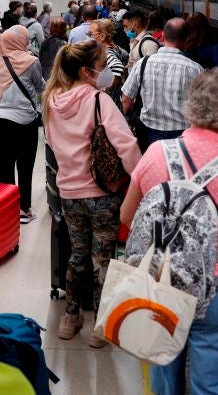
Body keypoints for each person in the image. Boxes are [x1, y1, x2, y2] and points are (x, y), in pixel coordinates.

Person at [119, 68, 218, 394]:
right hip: (217, 294)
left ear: (190, 105)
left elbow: (128, 215)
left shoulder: (157, 153)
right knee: (212, 388)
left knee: (163, 383)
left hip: (162, 285)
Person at [43, 40, 141, 348]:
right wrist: (139, 180)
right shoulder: (99, 100)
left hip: (69, 193)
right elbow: (126, 145)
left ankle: (70, 318)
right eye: (101, 66)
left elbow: (52, 145)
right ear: (87, 71)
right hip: (102, 195)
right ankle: (100, 326)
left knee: (77, 255)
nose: (105, 72)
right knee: (102, 260)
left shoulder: (52, 101)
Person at [0, 25, 45, 223]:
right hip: (24, 122)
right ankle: (24, 208)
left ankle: (8, 210)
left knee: (4, 168)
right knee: (25, 167)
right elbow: (40, 87)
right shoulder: (31, 61)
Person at [122, 18, 203, 152]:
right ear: (187, 39)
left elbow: (126, 100)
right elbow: (202, 107)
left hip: (148, 133)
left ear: (163, 36)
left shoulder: (143, 64)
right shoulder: (196, 69)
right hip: (182, 135)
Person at [89, 19, 128, 109]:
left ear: (102, 36)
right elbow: (125, 63)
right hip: (117, 97)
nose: (89, 37)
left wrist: (106, 87)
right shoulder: (117, 48)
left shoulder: (105, 53)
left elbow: (118, 67)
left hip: (108, 100)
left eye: (91, 34)